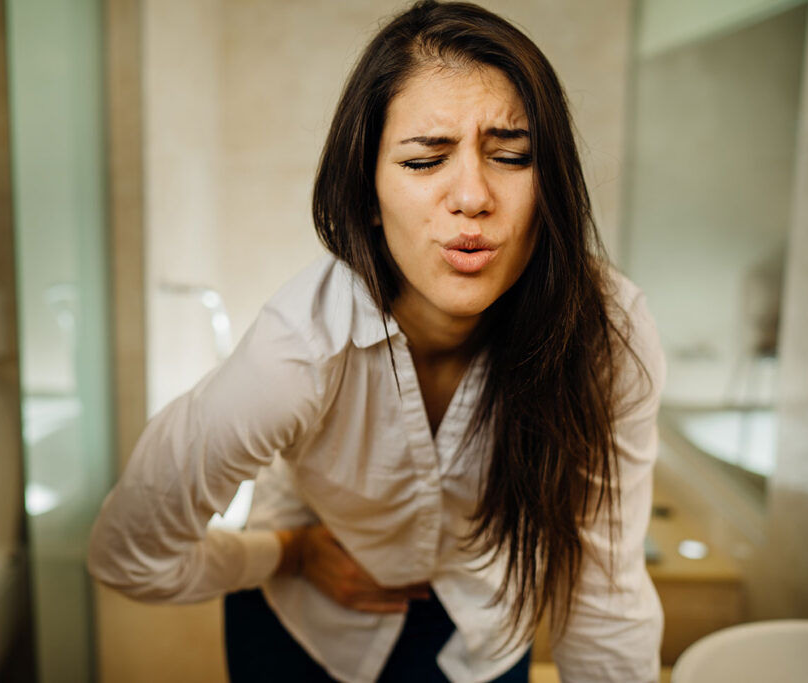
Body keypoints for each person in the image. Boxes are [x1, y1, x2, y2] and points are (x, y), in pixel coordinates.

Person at [87, 2, 665, 682]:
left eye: (511, 156)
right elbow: (127, 550)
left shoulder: (605, 338)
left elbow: (605, 596)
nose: (473, 196)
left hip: (477, 631)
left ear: (552, 185)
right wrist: (284, 553)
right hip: (303, 627)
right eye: (426, 161)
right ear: (368, 194)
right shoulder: (297, 353)